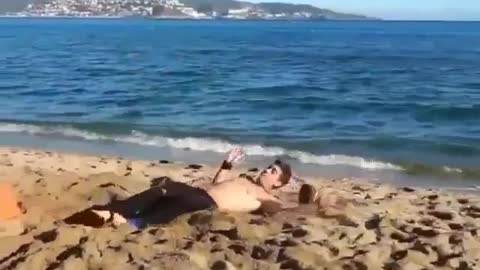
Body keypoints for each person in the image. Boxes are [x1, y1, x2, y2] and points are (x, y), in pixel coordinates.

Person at [63, 148, 295, 229]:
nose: (266, 171)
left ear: (278, 183)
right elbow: (218, 183)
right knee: (163, 190)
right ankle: (114, 211)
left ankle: (132, 221)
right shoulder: (245, 180)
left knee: (175, 205)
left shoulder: (265, 196)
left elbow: (280, 210)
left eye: (272, 172)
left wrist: (307, 201)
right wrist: (227, 164)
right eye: (268, 167)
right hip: (200, 193)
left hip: (207, 204)